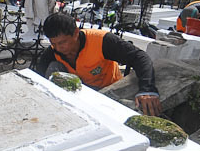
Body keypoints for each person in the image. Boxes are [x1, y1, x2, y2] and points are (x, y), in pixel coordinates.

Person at [34, 12, 162, 116]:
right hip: (79, 93)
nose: (58, 48)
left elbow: (140, 57)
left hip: (109, 93)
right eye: (54, 43)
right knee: (53, 68)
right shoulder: (52, 52)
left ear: (76, 33)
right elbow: (37, 77)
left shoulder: (101, 40)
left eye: (62, 43)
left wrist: (147, 89)